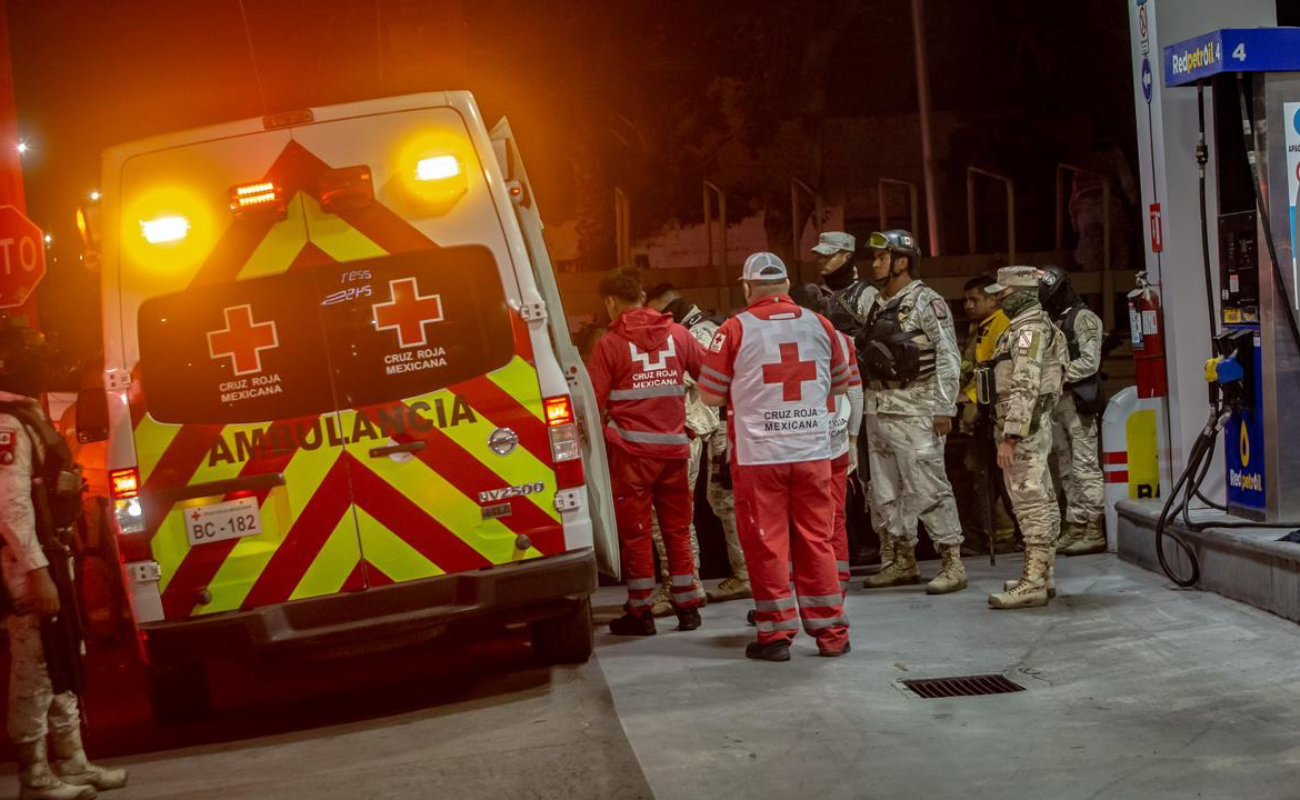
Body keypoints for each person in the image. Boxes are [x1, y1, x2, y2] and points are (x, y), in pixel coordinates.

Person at [698, 253, 851, 661]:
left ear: (747, 288)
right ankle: (832, 633)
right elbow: (840, 386)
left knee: (767, 543)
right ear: (785, 285)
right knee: (817, 540)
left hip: (759, 454)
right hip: (813, 451)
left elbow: (710, 395)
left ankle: (776, 637)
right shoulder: (822, 325)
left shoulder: (733, 329)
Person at [0, 321, 127, 799]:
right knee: (34, 663)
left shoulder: (27, 413)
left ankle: (72, 761)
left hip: (49, 554)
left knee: (62, 657)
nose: (42, 355)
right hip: (25, 563)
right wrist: (36, 573)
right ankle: (35, 774)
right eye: (29, 350)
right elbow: (8, 507)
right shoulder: (6, 422)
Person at [588, 268, 708, 635]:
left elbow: (593, 402)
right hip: (674, 450)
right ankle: (688, 608)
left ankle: (640, 613)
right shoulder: (680, 334)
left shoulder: (609, 344)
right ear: (641, 295)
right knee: (677, 528)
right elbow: (711, 375)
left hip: (631, 455)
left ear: (611, 302)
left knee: (638, 533)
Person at [857, 230, 967, 595]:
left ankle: (952, 561)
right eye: (873, 257)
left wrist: (943, 407)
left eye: (881, 257)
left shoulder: (926, 300)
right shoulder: (875, 302)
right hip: (879, 408)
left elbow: (949, 356)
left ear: (902, 261)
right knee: (885, 492)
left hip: (917, 407)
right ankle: (900, 559)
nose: (874, 264)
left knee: (928, 487)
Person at [644, 284, 750, 606]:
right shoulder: (703, 327)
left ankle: (690, 583)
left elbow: (687, 380)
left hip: (710, 424)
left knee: (705, 503)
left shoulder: (697, 332)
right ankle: (740, 574)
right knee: (720, 501)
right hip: (714, 423)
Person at [978, 267, 1068, 609]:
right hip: (1031, 426)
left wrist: (1010, 436)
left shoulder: (1028, 331)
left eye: (1004, 293)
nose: (999, 299)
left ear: (1024, 293)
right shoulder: (1029, 328)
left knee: (1030, 503)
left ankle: (1033, 582)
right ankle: (1042, 575)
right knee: (1041, 498)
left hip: (1023, 430)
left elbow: (1025, 384)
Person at [791, 284, 863, 598]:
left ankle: (802, 586)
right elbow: (855, 393)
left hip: (800, 441)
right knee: (835, 513)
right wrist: (853, 438)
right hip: (837, 440)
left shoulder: (788, 338)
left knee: (798, 519)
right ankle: (838, 582)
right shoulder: (843, 341)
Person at [1039, 266, 1107, 555]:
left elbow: (1089, 362)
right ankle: (1076, 523)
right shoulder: (1054, 320)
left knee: (1085, 466)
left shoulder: (1084, 318)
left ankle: (1094, 525)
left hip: (1078, 401)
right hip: (1058, 402)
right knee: (1066, 467)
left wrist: (1053, 376)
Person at [956, 276, 1017, 555]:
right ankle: (986, 533)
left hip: (996, 413)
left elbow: (993, 372)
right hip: (980, 413)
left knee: (1004, 479)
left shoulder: (1002, 325)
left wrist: (968, 398)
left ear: (993, 299)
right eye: (966, 300)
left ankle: (1009, 534)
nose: (969, 305)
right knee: (982, 477)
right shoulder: (979, 327)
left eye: (975, 300)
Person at [812, 231, 877, 338]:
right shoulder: (814, 293)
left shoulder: (866, 294)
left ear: (847, 257)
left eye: (827, 256)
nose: (820, 260)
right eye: (819, 256)